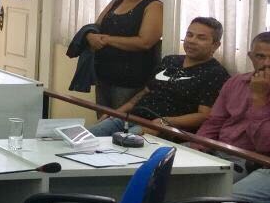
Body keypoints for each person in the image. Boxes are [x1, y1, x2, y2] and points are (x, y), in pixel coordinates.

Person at [89, 17, 230, 136]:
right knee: (83, 139)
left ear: (215, 45)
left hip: (162, 127)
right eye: (189, 35)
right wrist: (116, 113)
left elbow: (204, 115)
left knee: (113, 147)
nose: (192, 41)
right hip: (132, 116)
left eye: (201, 38)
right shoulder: (170, 60)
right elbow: (145, 92)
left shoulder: (216, 74)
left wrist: (166, 121)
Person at [195, 32, 270, 203]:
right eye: (261, 56)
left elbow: (264, 145)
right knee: (174, 184)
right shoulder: (236, 82)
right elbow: (214, 122)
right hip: (221, 150)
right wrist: (196, 149)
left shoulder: (260, 91)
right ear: (250, 56)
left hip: (257, 162)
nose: (266, 64)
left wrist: (260, 99)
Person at [87, 0, 164, 109]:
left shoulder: (154, 6)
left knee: (119, 125)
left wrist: (108, 40)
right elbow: (97, 26)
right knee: (102, 122)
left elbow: (145, 42)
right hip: (103, 74)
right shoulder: (118, 0)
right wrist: (90, 35)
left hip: (131, 80)